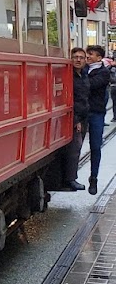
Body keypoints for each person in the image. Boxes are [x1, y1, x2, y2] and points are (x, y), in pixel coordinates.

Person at [62, 48, 89, 191]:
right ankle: (70, 179)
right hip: (74, 118)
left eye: (81, 57)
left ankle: (71, 177)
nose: (78, 60)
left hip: (84, 117)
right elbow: (70, 99)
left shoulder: (83, 75)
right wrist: (76, 120)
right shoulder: (70, 76)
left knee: (77, 148)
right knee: (74, 148)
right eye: (75, 57)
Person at [85, 45, 111, 195]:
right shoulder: (82, 70)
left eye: (91, 54)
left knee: (95, 146)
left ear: (99, 58)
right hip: (81, 113)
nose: (88, 57)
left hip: (96, 112)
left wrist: (81, 78)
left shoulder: (103, 72)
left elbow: (91, 85)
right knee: (74, 146)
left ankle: (93, 178)